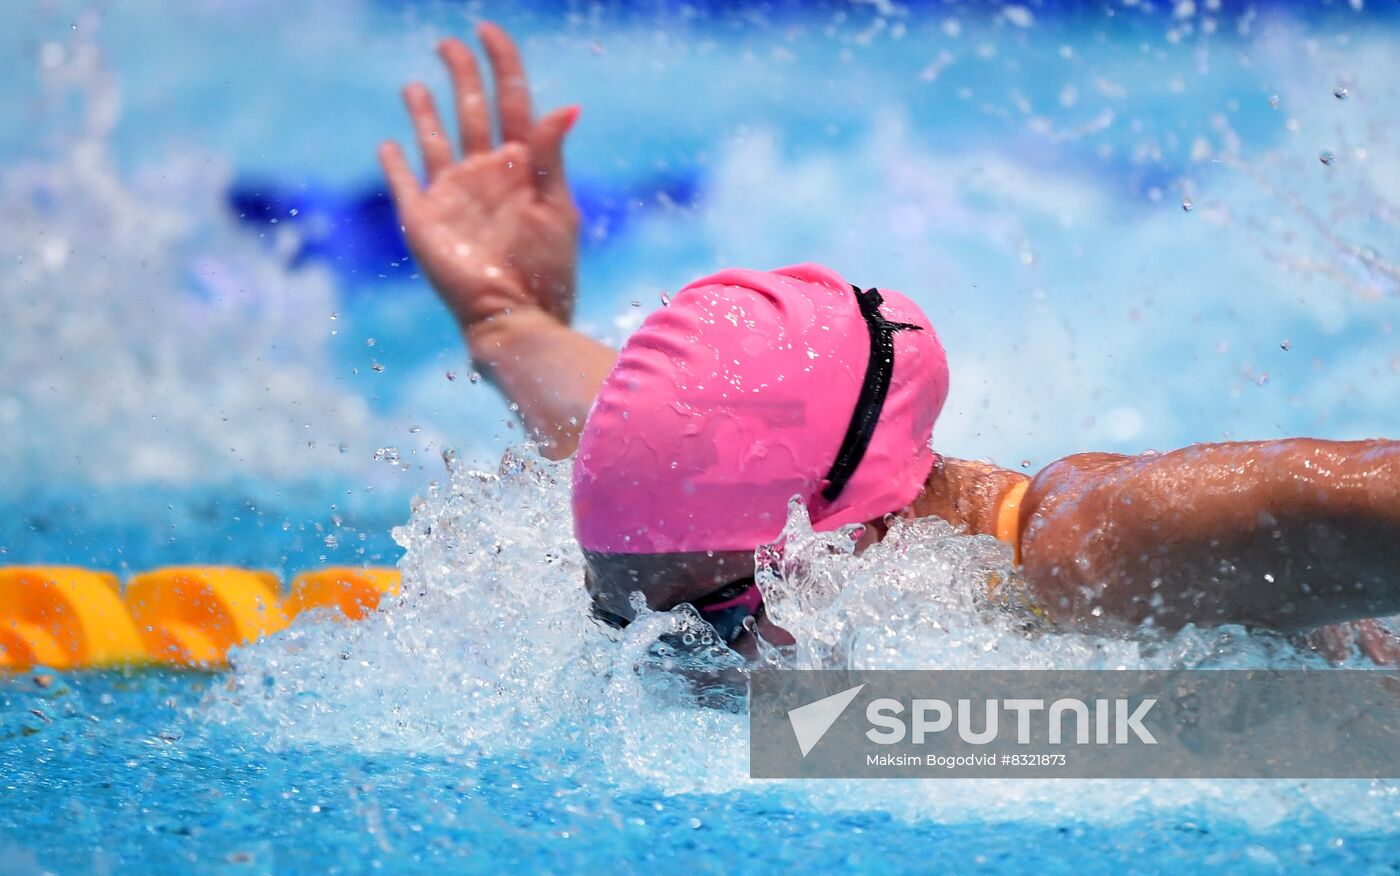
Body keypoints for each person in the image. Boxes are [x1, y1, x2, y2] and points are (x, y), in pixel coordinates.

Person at [379, 24, 1400, 663]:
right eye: (621, 621)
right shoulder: (693, 540)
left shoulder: (1098, 551)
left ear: (850, 532)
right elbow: (627, 442)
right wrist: (505, 317)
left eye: (710, 627)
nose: (669, 664)